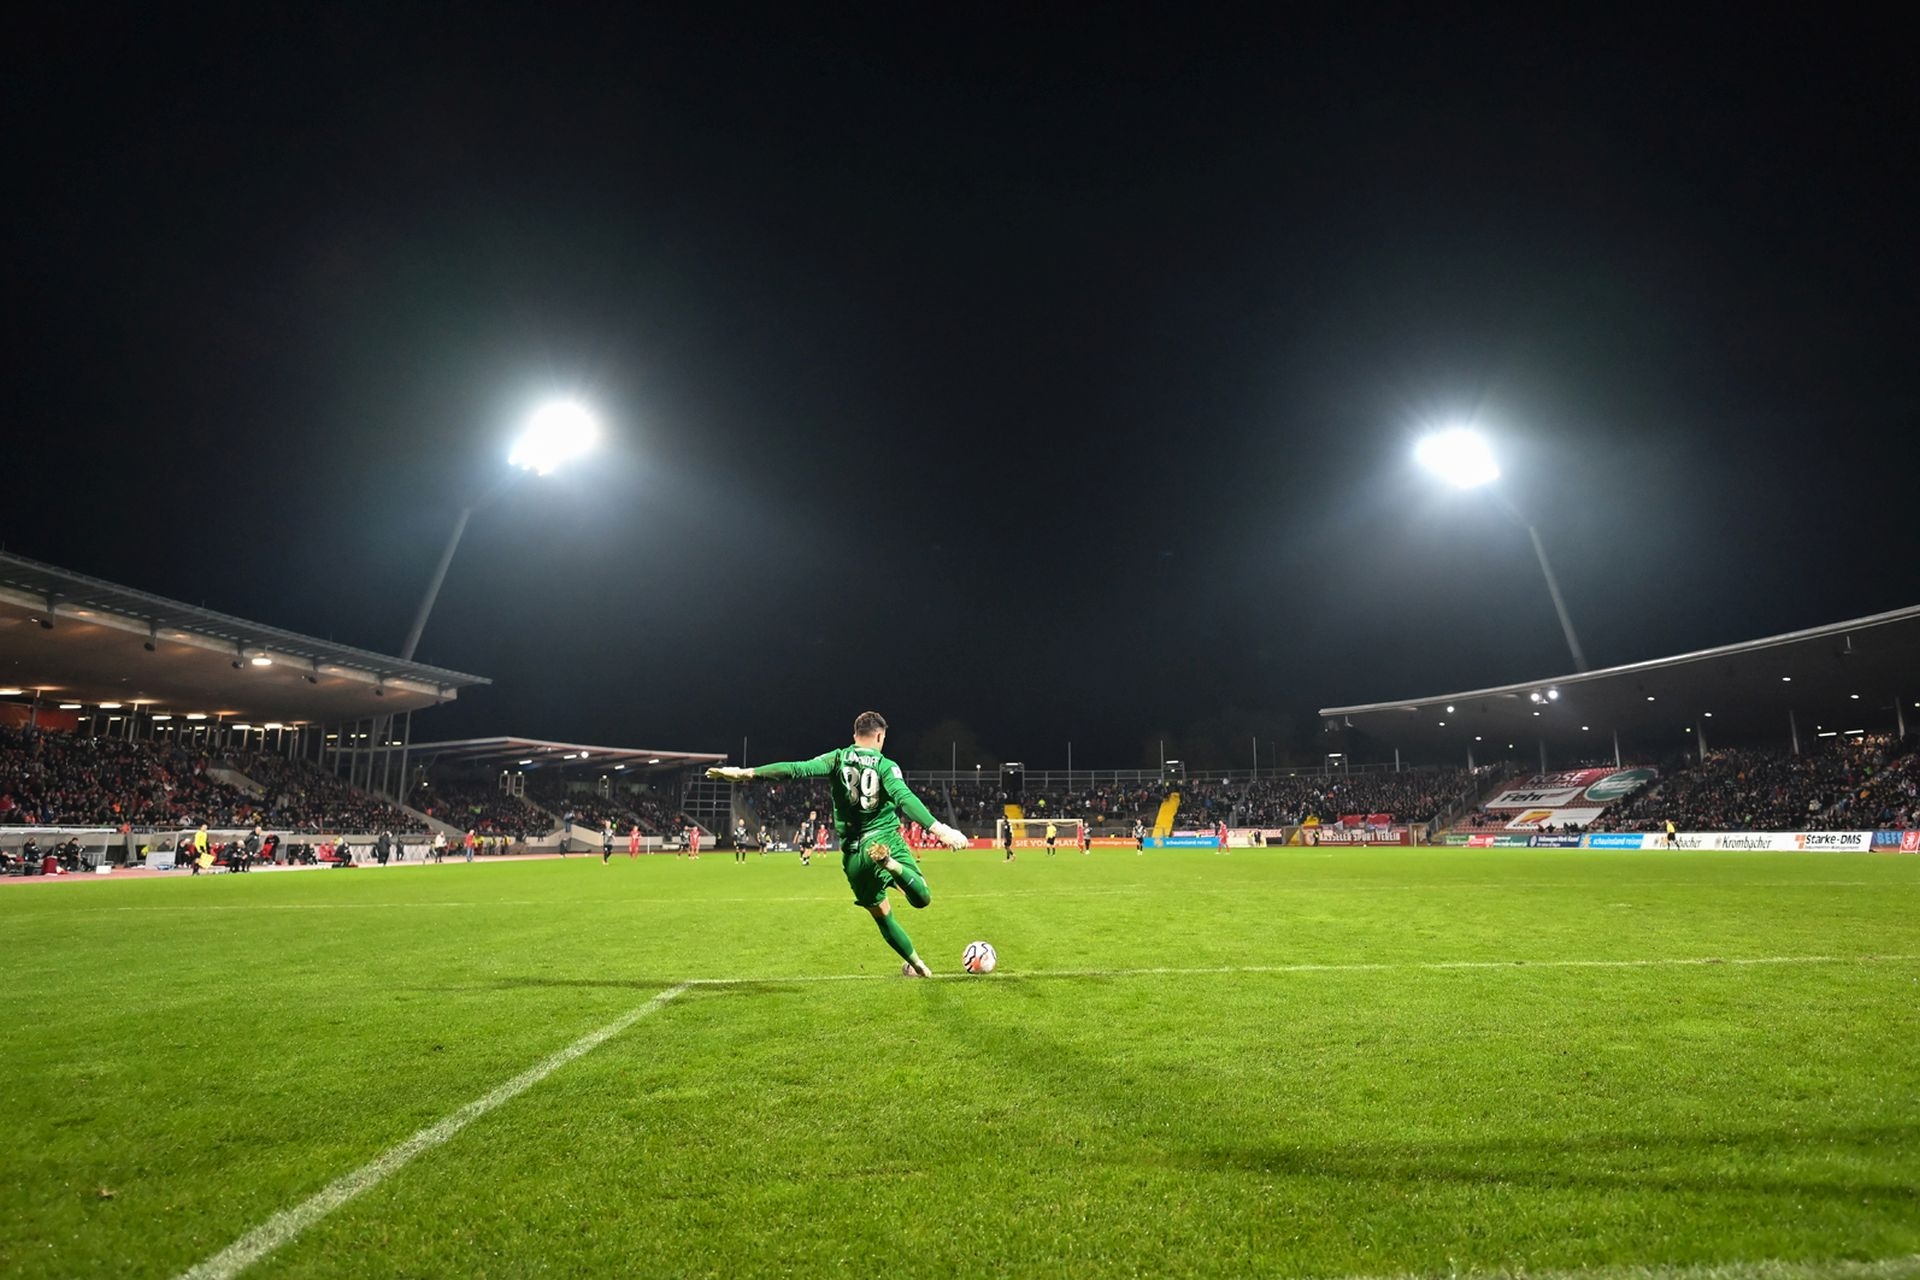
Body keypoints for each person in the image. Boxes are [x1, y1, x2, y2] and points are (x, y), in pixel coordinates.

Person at [707, 711, 968, 977]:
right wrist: (940, 830)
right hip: (883, 839)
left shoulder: (837, 758)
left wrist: (745, 773)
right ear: (880, 736)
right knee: (922, 898)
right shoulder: (886, 765)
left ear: (855, 735)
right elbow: (904, 797)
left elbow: (796, 769)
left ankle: (917, 965)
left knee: (882, 915)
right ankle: (890, 864)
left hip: (854, 855)